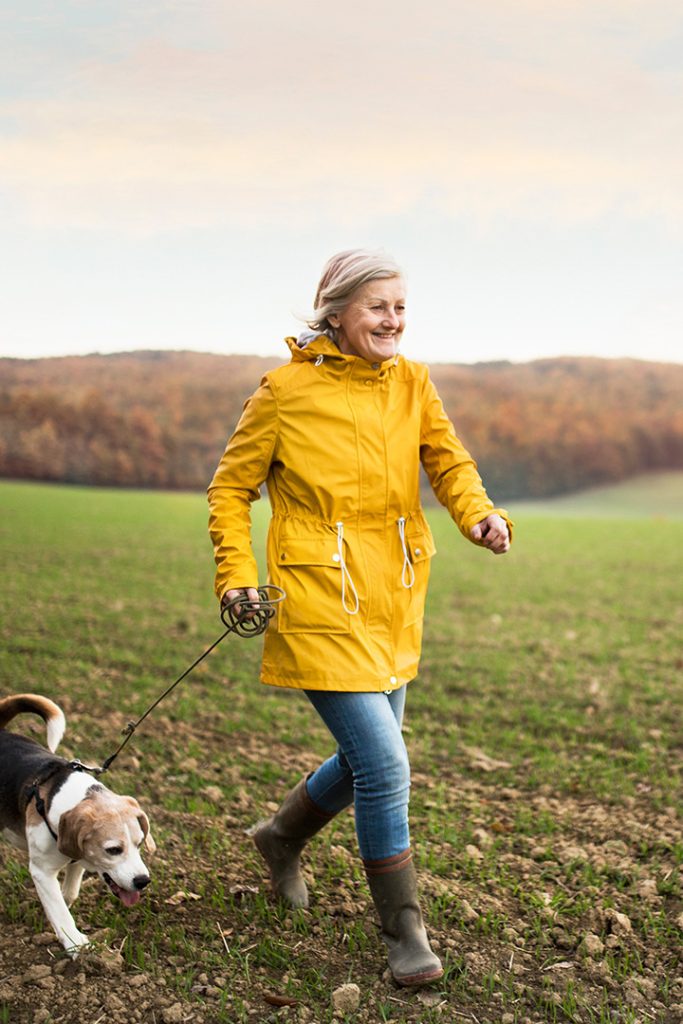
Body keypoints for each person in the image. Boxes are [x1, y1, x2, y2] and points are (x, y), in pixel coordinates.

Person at [207, 249, 512, 987]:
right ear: (336, 311)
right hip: (314, 597)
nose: (393, 320)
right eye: (378, 307)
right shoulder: (283, 392)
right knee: (383, 765)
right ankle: (404, 932)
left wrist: (477, 515)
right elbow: (229, 489)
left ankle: (279, 838)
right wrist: (236, 577)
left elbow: (448, 462)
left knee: (365, 758)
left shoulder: (413, 382)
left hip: (393, 593)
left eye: (400, 307)